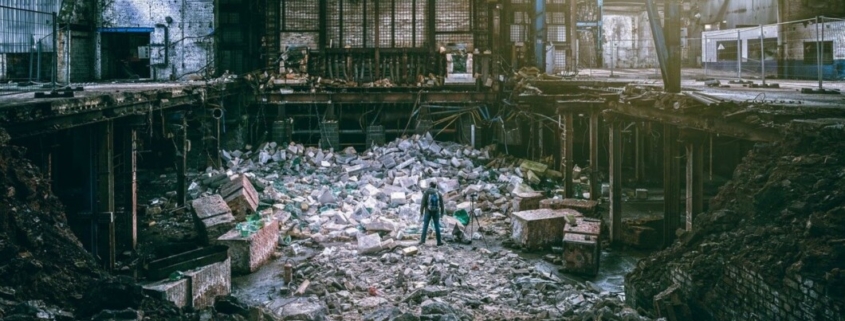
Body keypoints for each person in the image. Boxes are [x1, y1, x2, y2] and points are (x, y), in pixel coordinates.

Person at [419, 181, 445, 246]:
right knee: (437, 226)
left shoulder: (426, 192)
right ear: (435, 186)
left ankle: (422, 241)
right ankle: (439, 241)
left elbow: (422, 204)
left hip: (428, 211)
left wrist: (421, 212)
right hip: (436, 212)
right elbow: (442, 204)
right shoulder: (438, 193)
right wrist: (442, 213)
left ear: (430, 185)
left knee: (425, 226)